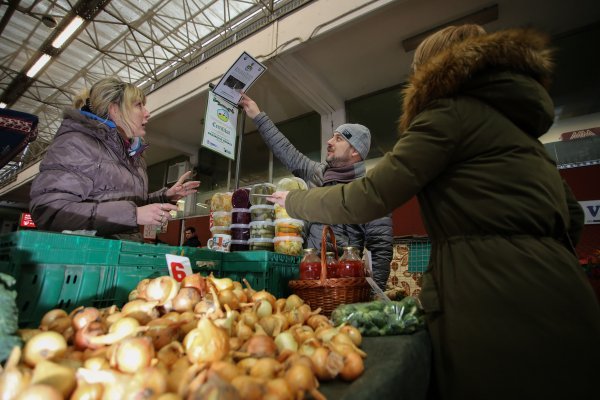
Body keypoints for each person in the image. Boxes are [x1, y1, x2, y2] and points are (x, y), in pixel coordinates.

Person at [267, 25, 600, 400]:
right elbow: (573, 219)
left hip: (491, 307)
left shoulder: (449, 115)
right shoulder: (522, 134)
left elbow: (371, 196)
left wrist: (294, 203)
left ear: (434, 71)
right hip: (569, 298)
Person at [239, 93, 393, 290]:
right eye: (332, 136)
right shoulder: (318, 174)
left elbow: (380, 248)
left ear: (355, 151)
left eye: (338, 139)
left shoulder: (367, 192)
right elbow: (287, 152)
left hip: (338, 286)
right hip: (305, 277)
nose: (329, 142)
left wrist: (373, 295)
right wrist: (258, 115)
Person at [29, 76, 199, 241]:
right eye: (139, 105)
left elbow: (126, 202)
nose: (147, 113)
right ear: (114, 110)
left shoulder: (133, 157)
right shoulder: (77, 143)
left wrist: (164, 196)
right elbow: (50, 212)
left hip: (118, 255)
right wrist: (134, 214)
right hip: (84, 259)